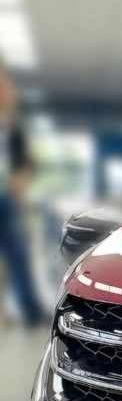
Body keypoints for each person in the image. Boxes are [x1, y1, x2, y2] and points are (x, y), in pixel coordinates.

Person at [0, 63, 45, 327]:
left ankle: (30, 312)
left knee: (17, 256)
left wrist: (23, 178)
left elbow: (29, 162)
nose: (7, 93)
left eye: (7, 88)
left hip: (7, 198)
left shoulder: (14, 128)